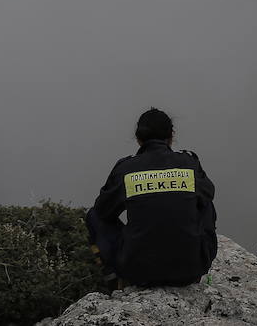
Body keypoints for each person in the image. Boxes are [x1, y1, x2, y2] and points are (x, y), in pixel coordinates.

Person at [87, 107, 218, 288]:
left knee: (94, 216)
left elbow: (103, 211)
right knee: (206, 203)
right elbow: (208, 194)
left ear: (139, 138)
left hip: (137, 271)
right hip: (190, 269)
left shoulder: (126, 169)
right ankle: (194, 262)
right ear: (171, 136)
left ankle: (113, 279)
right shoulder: (188, 163)